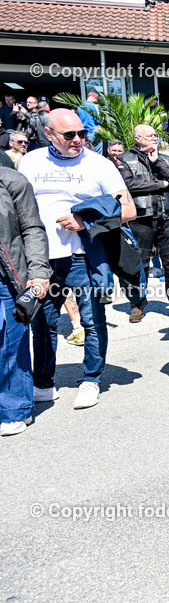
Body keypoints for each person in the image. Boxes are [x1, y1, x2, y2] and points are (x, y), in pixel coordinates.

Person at [18, 108, 137, 410]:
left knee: (92, 321)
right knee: (43, 323)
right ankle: (43, 382)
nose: (77, 140)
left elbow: (128, 210)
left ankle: (91, 380)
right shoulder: (30, 162)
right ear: (48, 134)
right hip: (42, 259)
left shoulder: (99, 164)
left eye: (82, 134)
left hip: (85, 256)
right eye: (69, 135)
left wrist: (85, 221)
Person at [117, 124, 169, 322]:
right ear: (138, 138)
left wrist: (158, 163)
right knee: (140, 264)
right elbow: (130, 184)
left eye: (155, 135)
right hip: (141, 218)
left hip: (165, 217)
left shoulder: (164, 159)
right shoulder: (126, 159)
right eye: (150, 136)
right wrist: (160, 184)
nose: (154, 138)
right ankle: (137, 305)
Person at [0, 165, 51, 436]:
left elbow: (32, 228)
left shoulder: (11, 180)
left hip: (6, 276)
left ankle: (13, 409)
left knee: (10, 341)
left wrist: (39, 272)